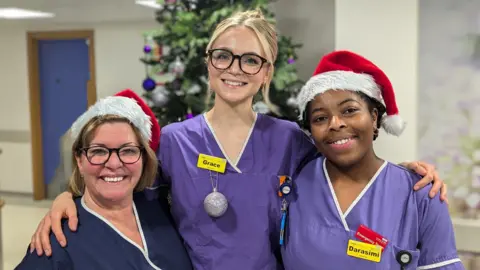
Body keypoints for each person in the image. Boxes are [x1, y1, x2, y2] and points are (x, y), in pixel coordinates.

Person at [29, 10, 447, 270]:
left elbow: (345, 165)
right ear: (210, 63)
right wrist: (70, 195)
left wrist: (408, 171)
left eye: (252, 60)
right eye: (223, 56)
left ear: (266, 72)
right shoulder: (175, 141)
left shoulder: (289, 139)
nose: (236, 68)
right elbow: (128, 195)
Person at [282, 51, 463, 270]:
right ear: (310, 130)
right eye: (320, 118)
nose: (335, 123)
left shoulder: (421, 194)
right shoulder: (293, 185)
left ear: (375, 117)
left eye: (349, 111)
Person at [17, 90, 192, 269]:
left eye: (128, 150)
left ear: (144, 158)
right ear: (79, 159)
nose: (114, 163)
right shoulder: (57, 242)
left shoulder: (163, 206)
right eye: (99, 151)